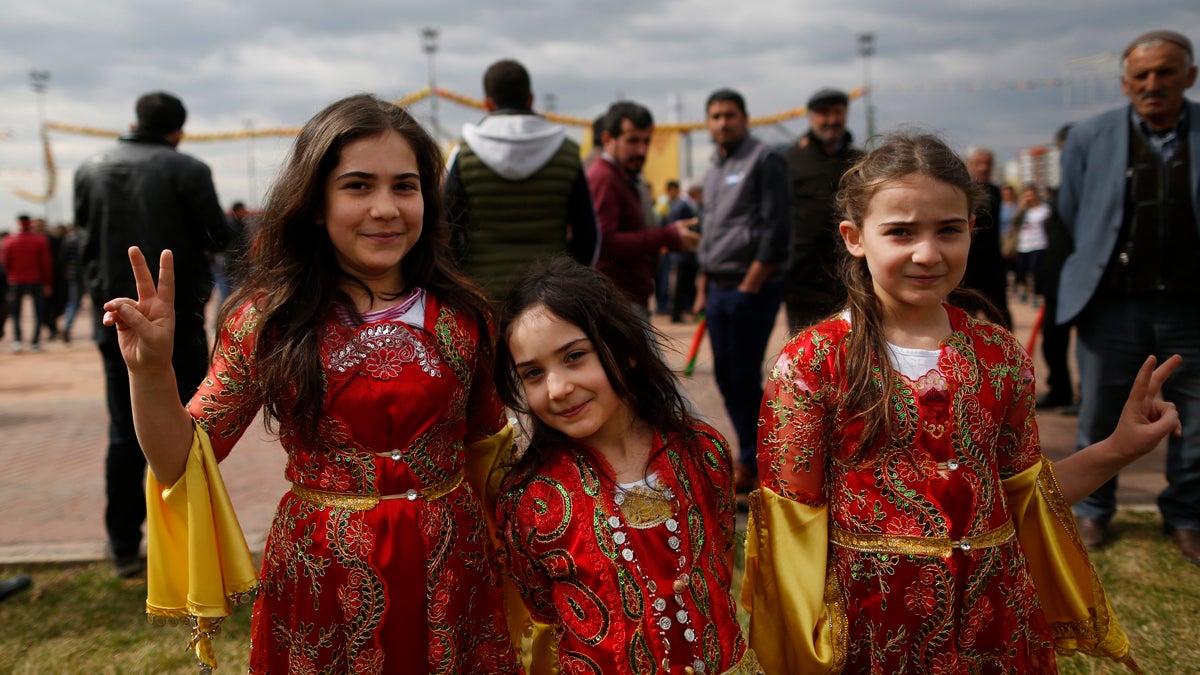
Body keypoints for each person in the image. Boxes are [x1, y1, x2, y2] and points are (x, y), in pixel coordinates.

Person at [100, 94, 519, 672]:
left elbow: (491, 452)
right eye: (357, 186)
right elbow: (183, 461)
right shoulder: (268, 321)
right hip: (322, 576)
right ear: (316, 203)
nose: (385, 208)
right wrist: (150, 375)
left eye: (405, 186)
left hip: (454, 569)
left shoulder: (466, 317)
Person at [742, 132, 1183, 673]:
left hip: (994, 622)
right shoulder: (812, 364)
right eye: (900, 232)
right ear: (855, 237)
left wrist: (1118, 448)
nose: (927, 253)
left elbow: (1025, 498)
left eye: (948, 230)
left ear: (973, 230)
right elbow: (791, 526)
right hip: (873, 631)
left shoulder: (999, 355)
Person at [494, 257, 762, 674]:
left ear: (625, 349)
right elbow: (543, 607)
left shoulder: (702, 454)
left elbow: (720, 559)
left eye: (574, 356)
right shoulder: (532, 502)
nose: (558, 388)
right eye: (532, 373)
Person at [74, 91, 232, 578]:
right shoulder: (187, 169)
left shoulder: (90, 168)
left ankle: (124, 547)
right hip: (176, 317)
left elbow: (84, 236)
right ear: (178, 130)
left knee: (124, 430)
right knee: (189, 430)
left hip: (113, 316)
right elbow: (220, 237)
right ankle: (190, 545)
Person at [1057, 29, 1200, 564]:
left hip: (1191, 307)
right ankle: (1093, 512)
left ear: (1190, 76)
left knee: (1197, 420)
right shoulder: (1090, 136)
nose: (1153, 84)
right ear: (1125, 83)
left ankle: (1187, 517)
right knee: (1100, 412)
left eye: (1165, 72)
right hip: (1112, 307)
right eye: (1141, 76)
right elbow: (1072, 215)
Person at [693, 88, 792, 496]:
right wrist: (702, 287)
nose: (722, 123)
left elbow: (776, 226)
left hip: (751, 286)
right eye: (715, 116)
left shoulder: (763, 159)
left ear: (745, 117)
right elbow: (711, 229)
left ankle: (760, 461)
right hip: (717, 288)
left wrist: (751, 283)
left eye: (729, 115)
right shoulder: (714, 167)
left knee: (744, 375)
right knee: (725, 376)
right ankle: (750, 455)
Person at [444, 58, 598, 302]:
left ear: (487, 103)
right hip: (550, 298)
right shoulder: (566, 151)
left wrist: (463, 281)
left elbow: (447, 229)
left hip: (483, 295)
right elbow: (587, 234)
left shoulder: (465, 152)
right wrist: (569, 284)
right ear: (531, 99)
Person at [589, 101, 699, 317]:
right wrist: (668, 236)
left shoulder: (622, 176)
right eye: (632, 141)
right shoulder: (604, 177)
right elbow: (605, 243)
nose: (641, 150)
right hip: (616, 303)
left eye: (646, 141)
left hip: (626, 299)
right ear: (607, 140)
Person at [783, 87, 863, 334]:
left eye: (838, 113)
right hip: (802, 281)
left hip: (852, 279)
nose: (831, 120)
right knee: (805, 355)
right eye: (823, 114)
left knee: (852, 352)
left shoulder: (861, 162)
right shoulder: (791, 160)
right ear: (810, 117)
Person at [961, 146, 1013, 328]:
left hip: (992, 267)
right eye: (978, 163)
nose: (984, 168)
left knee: (1001, 318)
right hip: (965, 267)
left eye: (988, 163)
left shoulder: (995, 192)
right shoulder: (960, 194)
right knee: (962, 320)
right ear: (969, 165)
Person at [1, 214, 53, 352]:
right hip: (35, 279)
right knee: (38, 311)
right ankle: (35, 341)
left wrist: (6, 283)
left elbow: (5, 264)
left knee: (16, 312)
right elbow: (45, 264)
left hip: (15, 280)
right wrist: (47, 282)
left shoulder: (9, 240)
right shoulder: (39, 240)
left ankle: (18, 340)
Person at [1010, 183, 1051, 305]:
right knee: (1021, 272)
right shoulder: (1022, 210)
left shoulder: (1044, 209)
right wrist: (1022, 207)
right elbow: (1013, 221)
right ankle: (1024, 291)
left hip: (1039, 244)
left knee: (1035, 272)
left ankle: (1035, 296)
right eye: (1026, 195)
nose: (1029, 197)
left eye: (1031, 194)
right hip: (1023, 245)